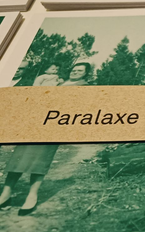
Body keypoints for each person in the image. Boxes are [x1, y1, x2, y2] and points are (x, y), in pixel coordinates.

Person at [0, 62, 92, 215]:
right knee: (18, 157)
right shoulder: (58, 82)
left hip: (53, 126)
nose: (75, 72)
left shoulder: (84, 87)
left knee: (40, 160)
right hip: (35, 123)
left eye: (80, 71)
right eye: (74, 69)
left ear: (85, 74)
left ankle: (32, 195)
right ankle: (6, 194)